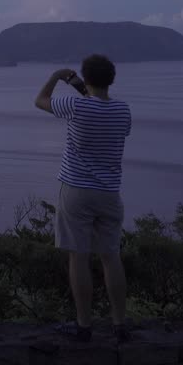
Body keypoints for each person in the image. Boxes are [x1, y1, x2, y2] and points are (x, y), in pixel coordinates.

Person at [34, 54, 132, 343]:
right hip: (109, 192)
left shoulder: (75, 105)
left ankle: (84, 326)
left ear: (85, 78)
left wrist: (56, 76)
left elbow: (40, 101)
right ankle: (119, 324)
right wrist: (86, 89)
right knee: (111, 256)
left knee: (78, 256)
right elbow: (104, 111)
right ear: (111, 79)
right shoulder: (123, 111)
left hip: (76, 190)